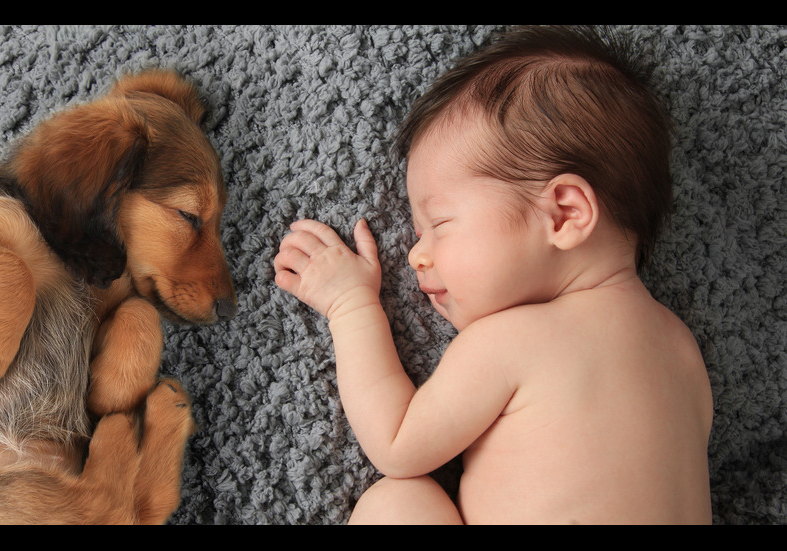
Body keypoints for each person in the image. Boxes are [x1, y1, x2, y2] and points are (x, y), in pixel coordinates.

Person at [273, 26, 713, 524]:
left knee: (398, 503)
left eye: (439, 224)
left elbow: (397, 443)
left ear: (564, 215)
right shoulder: (683, 349)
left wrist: (350, 305)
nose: (417, 255)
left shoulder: (513, 339)